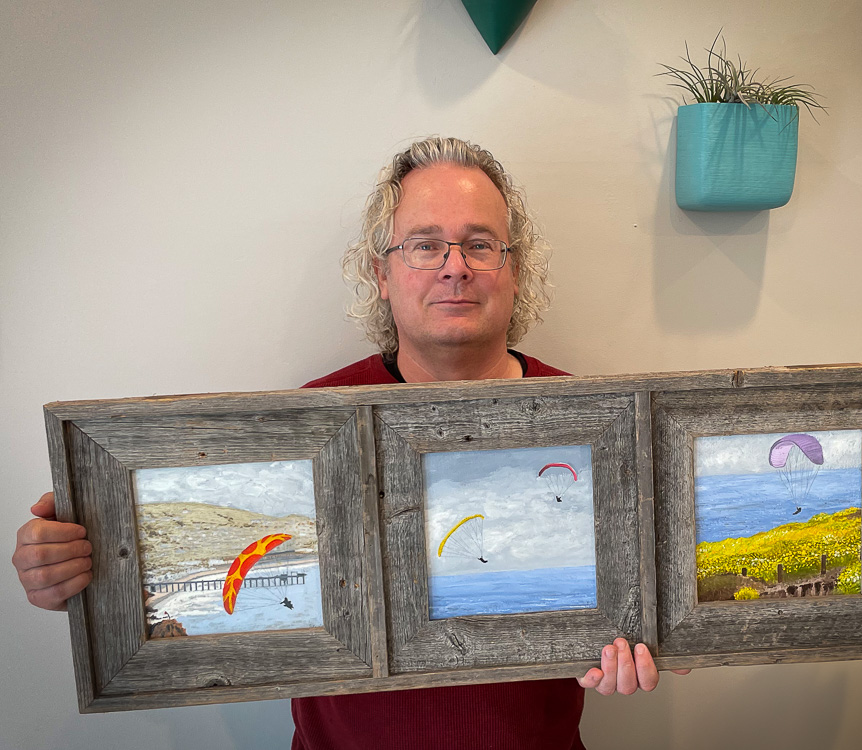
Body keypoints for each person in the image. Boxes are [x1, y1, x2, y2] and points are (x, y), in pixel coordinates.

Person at [12, 137, 681, 749]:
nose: (455, 268)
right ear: (382, 273)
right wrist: (83, 570)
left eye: (481, 244)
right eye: (424, 244)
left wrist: (645, 637)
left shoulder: (599, 424)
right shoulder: (305, 425)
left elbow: (653, 583)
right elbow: (191, 586)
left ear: (513, 269)